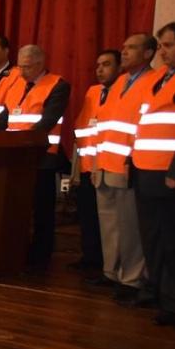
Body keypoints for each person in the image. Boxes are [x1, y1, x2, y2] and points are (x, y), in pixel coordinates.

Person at [89, 33, 159, 301]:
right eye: (124, 47)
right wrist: (96, 162)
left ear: (148, 53)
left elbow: (146, 127)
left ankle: (131, 279)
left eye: (131, 48)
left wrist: (132, 159)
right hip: (105, 163)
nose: (125, 52)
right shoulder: (120, 82)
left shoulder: (154, 81)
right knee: (110, 224)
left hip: (128, 164)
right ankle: (112, 272)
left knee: (130, 227)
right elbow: (104, 125)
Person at [0, 45, 70, 270]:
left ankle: (40, 257)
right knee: (16, 208)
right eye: (20, 66)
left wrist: (21, 143)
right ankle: (17, 251)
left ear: (39, 64)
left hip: (42, 158)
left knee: (41, 210)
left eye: (26, 67)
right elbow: (4, 118)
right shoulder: (17, 85)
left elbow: (47, 122)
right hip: (13, 159)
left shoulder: (58, 85)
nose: (22, 71)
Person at [132, 22, 175, 326]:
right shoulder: (158, 77)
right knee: (152, 238)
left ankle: (172, 302)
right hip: (145, 169)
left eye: (169, 45)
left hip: (168, 173)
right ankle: (158, 293)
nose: (162, 52)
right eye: (160, 46)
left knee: (171, 240)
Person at [70, 49, 120, 271]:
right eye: (98, 65)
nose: (100, 70)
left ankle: (108, 266)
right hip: (87, 166)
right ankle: (90, 259)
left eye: (106, 65)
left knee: (109, 223)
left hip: (108, 167)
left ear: (119, 68)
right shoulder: (93, 91)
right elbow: (83, 127)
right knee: (88, 217)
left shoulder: (123, 92)